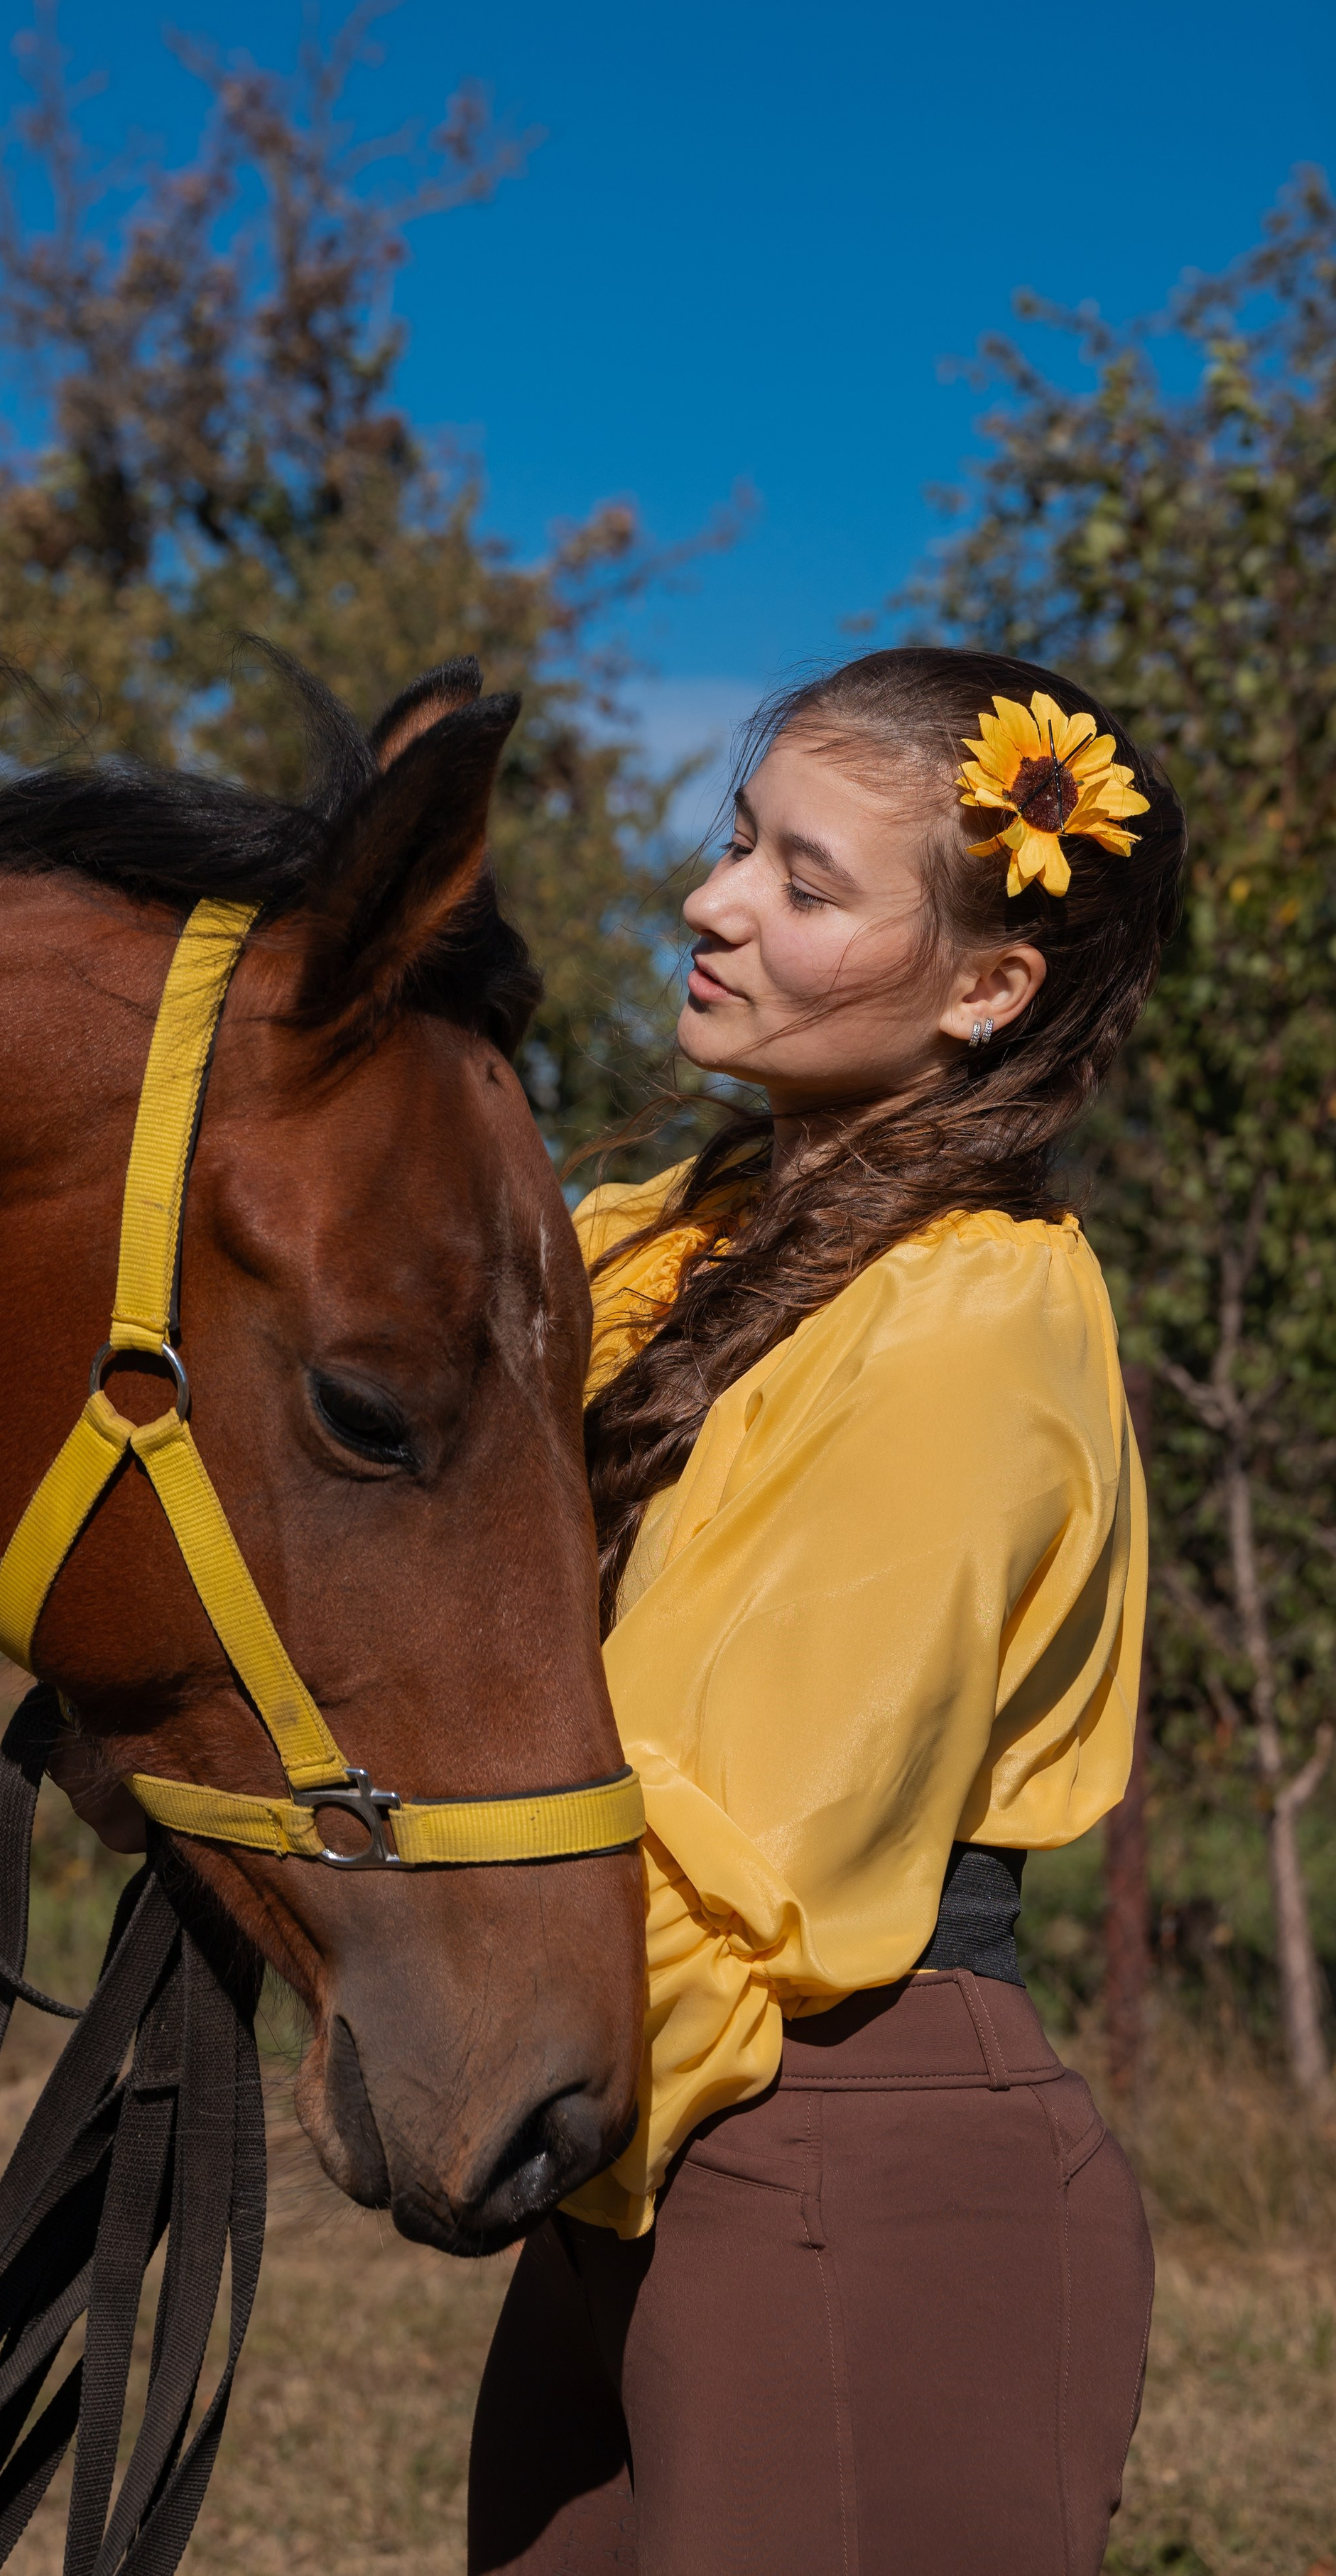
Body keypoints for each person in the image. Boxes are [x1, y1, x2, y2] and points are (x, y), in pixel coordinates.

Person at [467, 648, 1185, 2576]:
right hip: (652, 2150)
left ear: (986, 988)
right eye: (731, 844)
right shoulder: (671, 1238)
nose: (710, 904)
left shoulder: (977, 1321)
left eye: (803, 881)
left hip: (847, 2150)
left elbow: (756, 1851)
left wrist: (470, 2067)